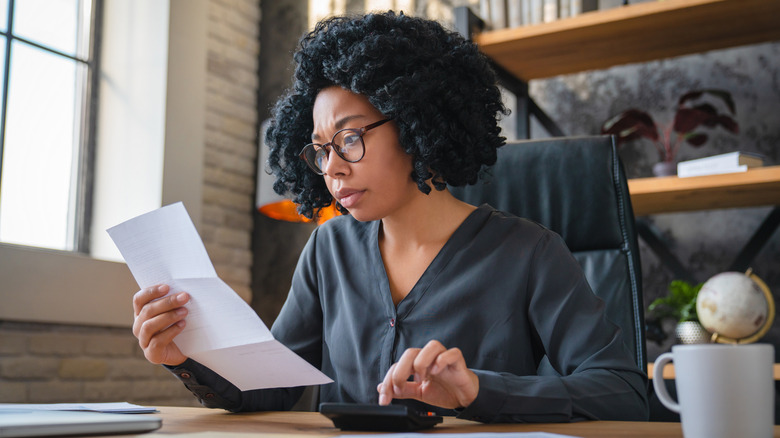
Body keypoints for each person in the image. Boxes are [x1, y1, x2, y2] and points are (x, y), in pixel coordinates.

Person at [132, 11, 649, 423]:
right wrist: (185, 356)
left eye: (350, 138)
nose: (331, 167)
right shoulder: (328, 250)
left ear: (418, 125)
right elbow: (274, 385)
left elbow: (621, 391)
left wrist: (477, 390)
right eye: (319, 149)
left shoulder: (529, 251)